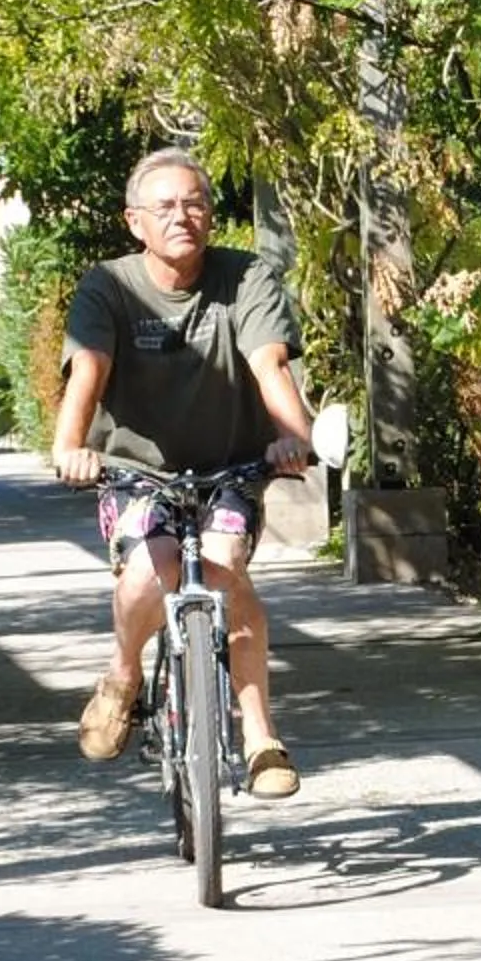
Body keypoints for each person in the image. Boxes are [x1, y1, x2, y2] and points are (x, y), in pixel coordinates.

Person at [52, 150, 316, 799]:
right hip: (135, 472)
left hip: (229, 466)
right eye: (165, 206)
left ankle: (260, 737)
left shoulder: (245, 276)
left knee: (225, 566)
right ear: (135, 221)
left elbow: (269, 363)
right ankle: (123, 676)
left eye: (195, 204)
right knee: (151, 567)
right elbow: (89, 368)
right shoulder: (108, 286)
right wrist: (69, 445)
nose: (182, 217)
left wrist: (294, 437)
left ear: (211, 215)